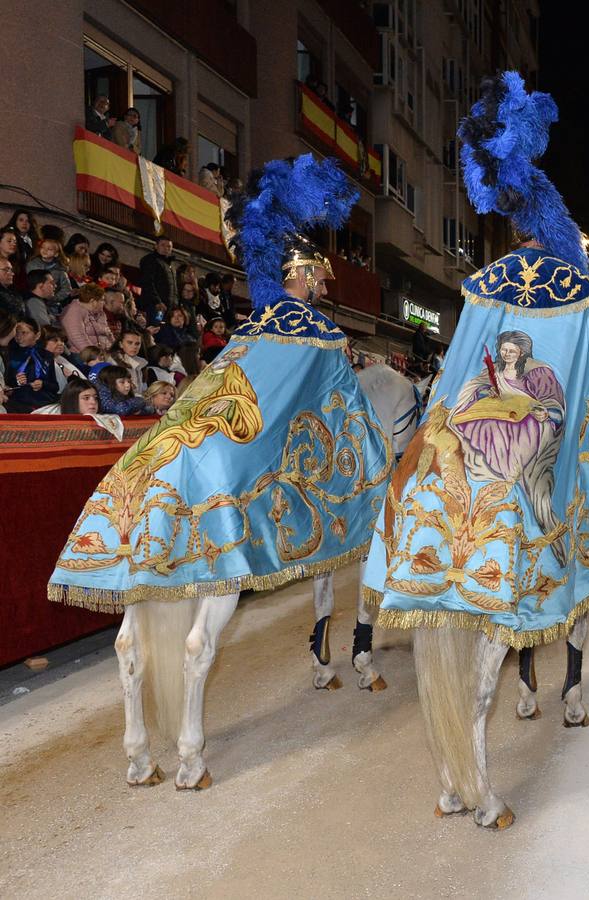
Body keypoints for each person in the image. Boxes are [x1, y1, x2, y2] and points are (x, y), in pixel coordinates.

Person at [48, 154, 391, 790]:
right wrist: (374, 475)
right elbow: (340, 413)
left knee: (139, 618)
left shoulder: (246, 331)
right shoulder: (318, 334)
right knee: (206, 620)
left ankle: (135, 752)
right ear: (306, 275)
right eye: (319, 273)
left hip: (167, 445)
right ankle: (190, 753)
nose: (323, 283)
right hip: (234, 464)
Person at [361, 73, 589, 826]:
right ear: (554, 224)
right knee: (501, 623)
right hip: (525, 469)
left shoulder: (486, 284)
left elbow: (455, 379)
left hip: (463, 448)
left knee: (452, 622)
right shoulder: (580, 296)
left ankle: (454, 779)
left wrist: (426, 450)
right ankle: (477, 786)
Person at [5, 318, 58, 412]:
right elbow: (6, 383)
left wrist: (43, 384)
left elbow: (54, 386)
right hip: (19, 402)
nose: (19, 337)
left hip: (43, 402)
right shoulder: (10, 355)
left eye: (24, 333)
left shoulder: (46, 356)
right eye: (17, 333)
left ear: (37, 335)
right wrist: (16, 381)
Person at [62, 282, 113, 352]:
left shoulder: (100, 313)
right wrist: (95, 355)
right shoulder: (74, 312)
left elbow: (109, 335)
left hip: (104, 353)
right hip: (84, 356)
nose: (104, 303)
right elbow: (78, 338)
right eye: (102, 300)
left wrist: (114, 350)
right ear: (93, 301)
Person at [25, 238, 74, 310]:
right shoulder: (32, 264)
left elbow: (66, 289)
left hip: (51, 305)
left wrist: (53, 298)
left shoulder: (60, 270)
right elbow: (29, 283)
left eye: (49, 249)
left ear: (56, 253)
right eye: (42, 247)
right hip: (33, 300)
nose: (44, 250)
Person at [137, 237, 176, 312]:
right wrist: (157, 301)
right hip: (153, 306)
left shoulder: (171, 265)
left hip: (168, 308)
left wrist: (175, 305)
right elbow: (147, 282)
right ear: (156, 246)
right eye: (163, 245)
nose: (166, 248)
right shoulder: (150, 260)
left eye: (169, 246)